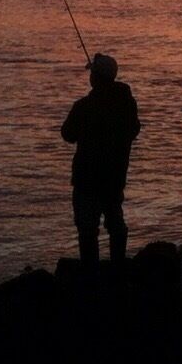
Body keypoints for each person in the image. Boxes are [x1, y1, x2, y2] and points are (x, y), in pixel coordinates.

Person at [61, 52, 140, 265]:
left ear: (96, 78)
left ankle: (90, 275)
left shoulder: (84, 107)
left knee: (87, 228)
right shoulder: (127, 105)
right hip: (115, 177)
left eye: (92, 73)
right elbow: (134, 131)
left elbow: (67, 134)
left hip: (87, 179)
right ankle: (118, 268)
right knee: (115, 223)